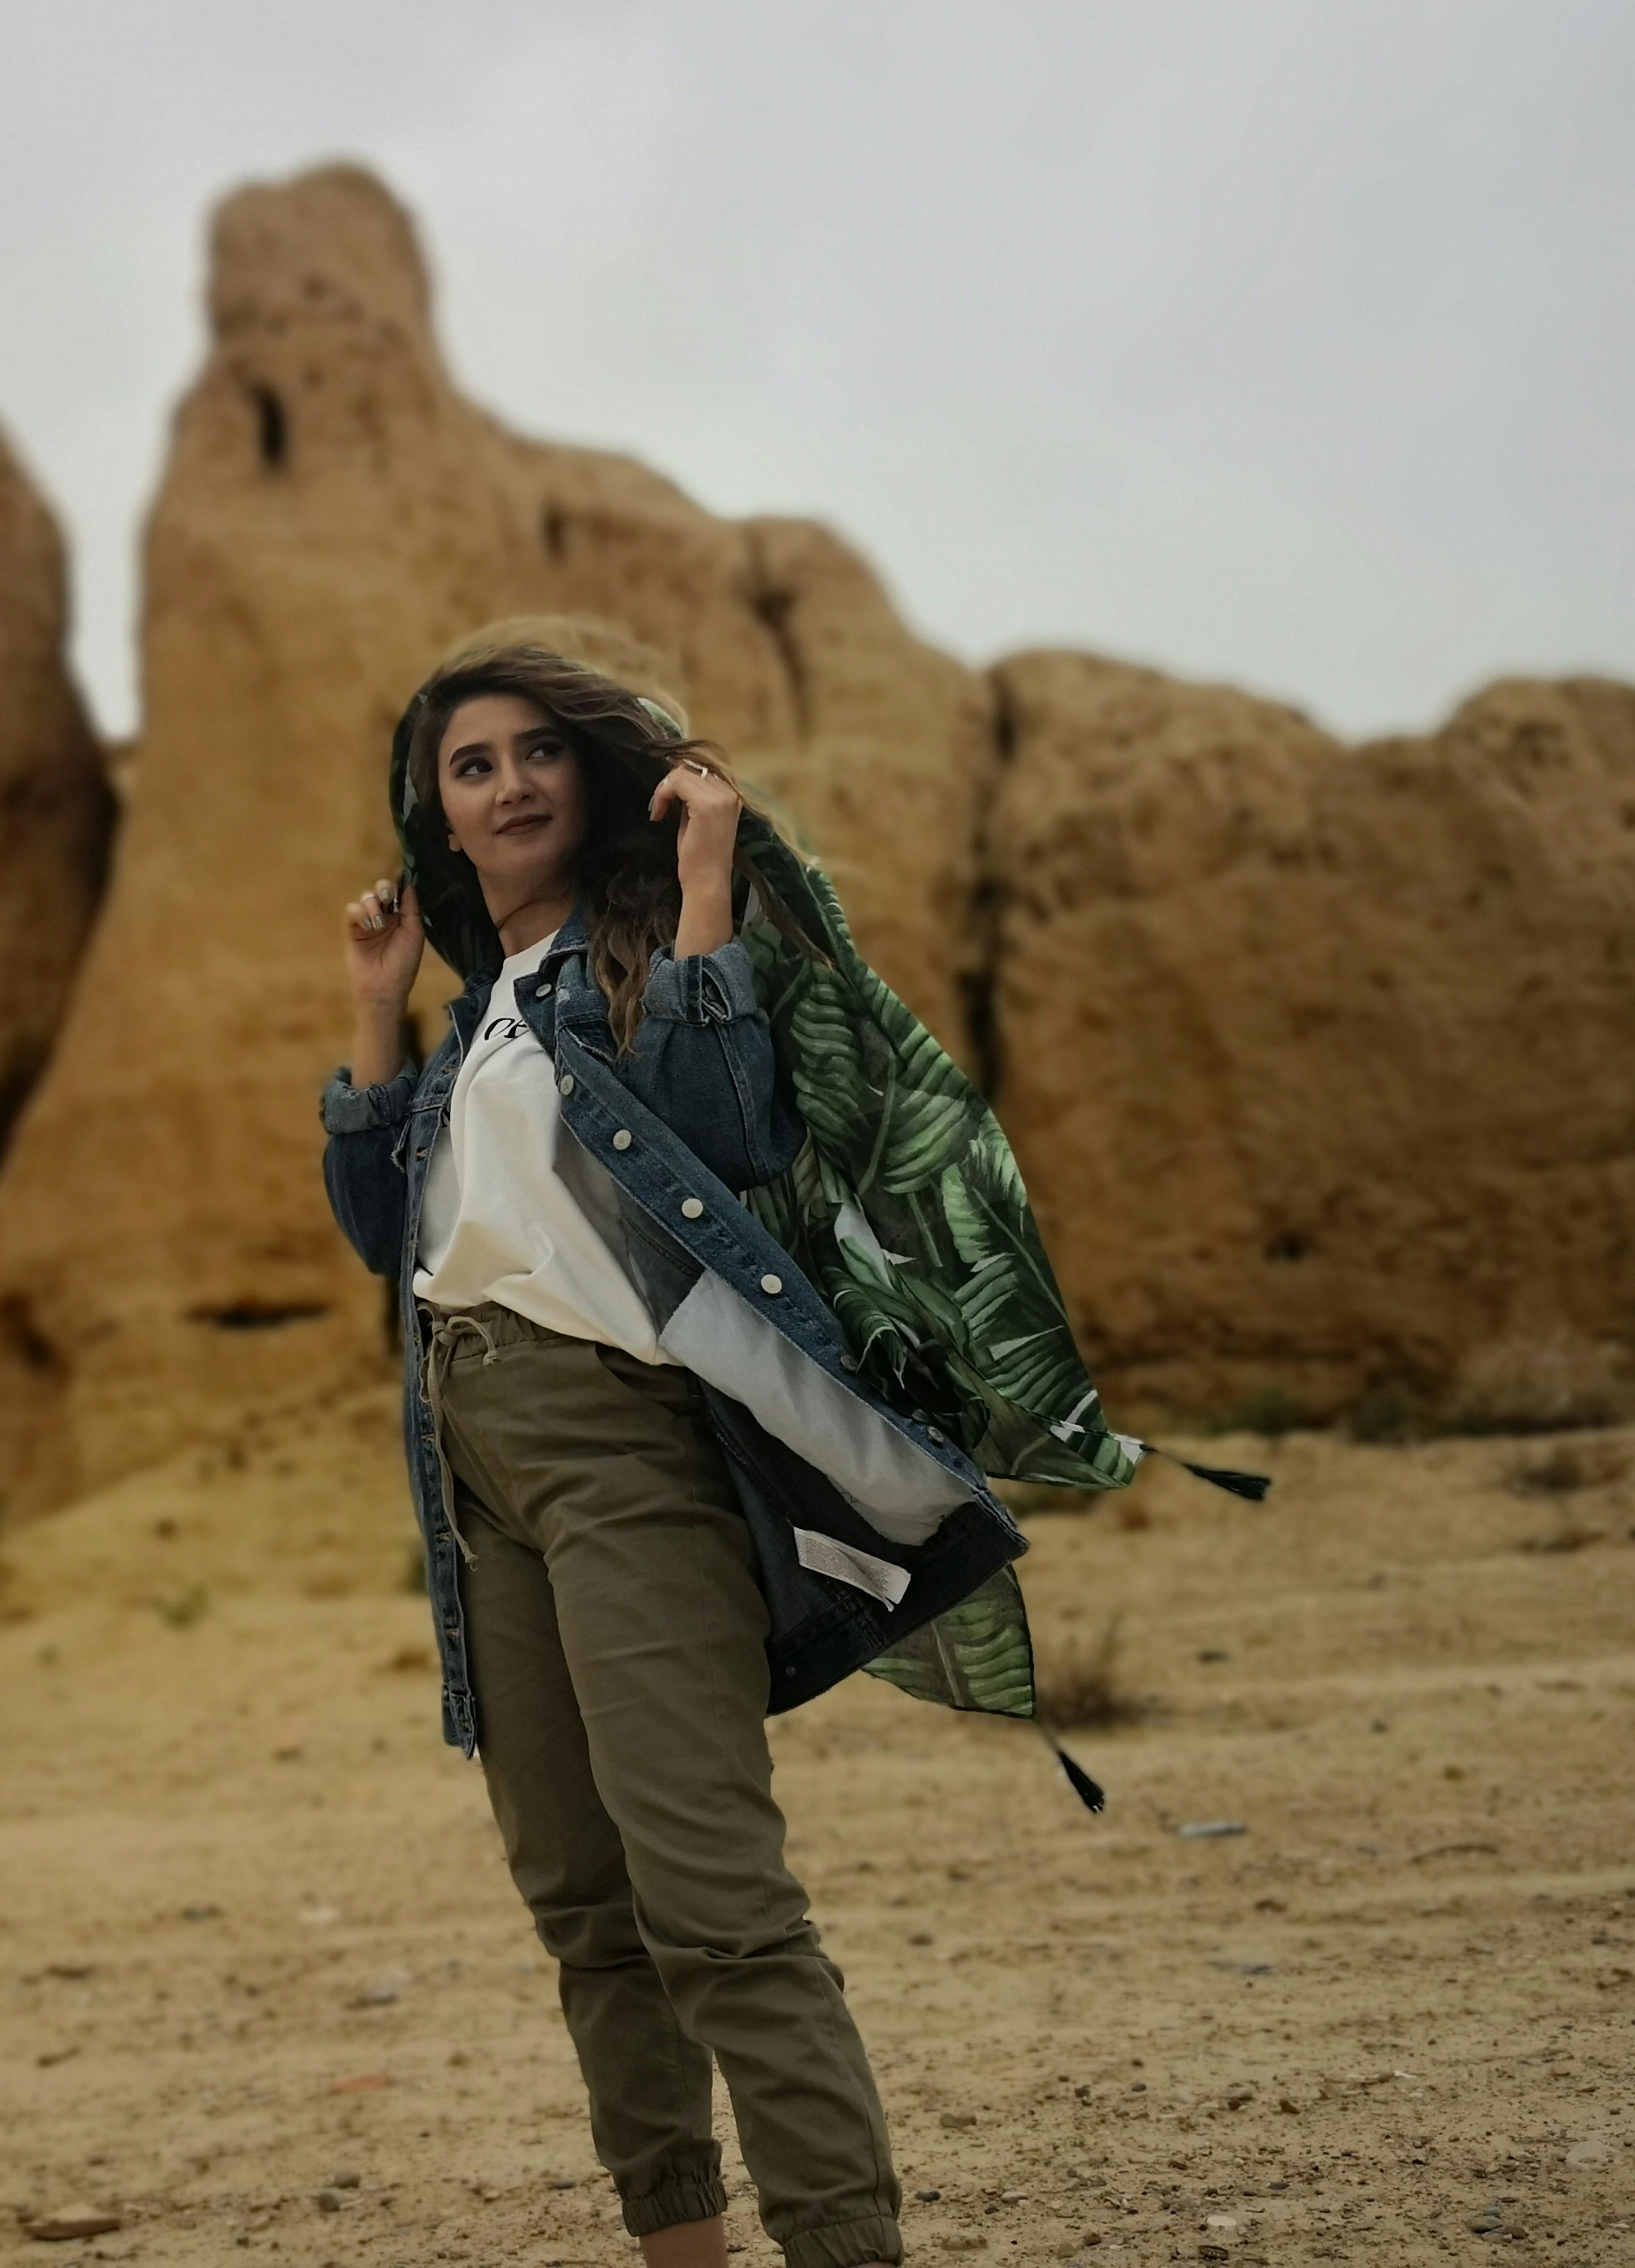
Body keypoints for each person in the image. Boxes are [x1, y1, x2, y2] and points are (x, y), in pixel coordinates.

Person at [320, 617, 1045, 2268]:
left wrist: (704, 881)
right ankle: (681, 2251)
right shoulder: (478, 1021)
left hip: (626, 1450)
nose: (510, 784)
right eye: (472, 766)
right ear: (438, 815)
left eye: (537, 752)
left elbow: (727, 1132)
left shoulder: (631, 972)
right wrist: (376, 1011)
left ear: (592, 779)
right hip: (473, 1467)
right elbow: (380, 1230)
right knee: (585, 1909)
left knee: (713, 1903)